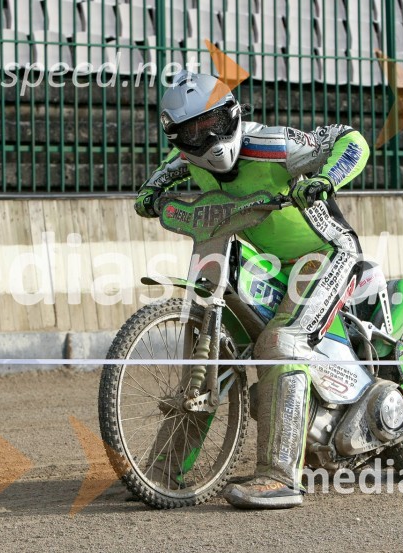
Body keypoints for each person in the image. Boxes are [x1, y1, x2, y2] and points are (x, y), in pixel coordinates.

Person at [135, 71, 370, 509]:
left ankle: (281, 477)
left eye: (213, 124)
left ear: (234, 114)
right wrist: (149, 196)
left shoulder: (276, 145)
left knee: (282, 342)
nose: (206, 140)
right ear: (178, 138)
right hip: (266, 264)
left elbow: (350, 140)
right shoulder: (189, 162)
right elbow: (156, 182)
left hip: (325, 252)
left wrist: (326, 180)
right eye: (192, 132)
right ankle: (164, 472)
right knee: (212, 351)